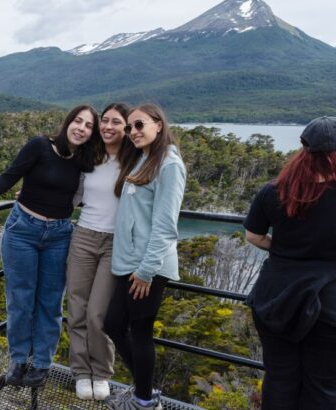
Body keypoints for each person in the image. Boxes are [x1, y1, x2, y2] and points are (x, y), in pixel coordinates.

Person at [0, 105, 103, 388]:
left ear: (92, 133)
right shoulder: (39, 146)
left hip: (59, 235)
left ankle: (42, 365)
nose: (81, 128)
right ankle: (19, 359)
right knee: (20, 300)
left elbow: (88, 194)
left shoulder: (84, 160)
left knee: (50, 303)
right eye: (78, 121)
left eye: (88, 126)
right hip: (22, 231)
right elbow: (9, 176)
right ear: (68, 122)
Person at [244, 116, 336, 410]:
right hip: (334, 304)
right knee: (327, 390)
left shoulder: (274, 190)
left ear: (304, 148)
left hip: (276, 298)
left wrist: (282, 249)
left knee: (280, 380)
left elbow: (253, 236)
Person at [104, 103, 186, 410]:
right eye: (130, 127)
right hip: (130, 263)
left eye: (139, 125)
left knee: (139, 333)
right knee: (113, 324)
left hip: (147, 267)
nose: (133, 132)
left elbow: (166, 224)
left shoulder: (169, 165)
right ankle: (145, 389)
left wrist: (147, 270)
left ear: (158, 125)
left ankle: (144, 401)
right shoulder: (144, 159)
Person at [65, 102, 131, 400]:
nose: (107, 126)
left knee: (98, 314)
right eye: (104, 121)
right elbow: (70, 192)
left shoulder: (135, 160)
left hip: (115, 242)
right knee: (76, 307)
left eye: (116, 122)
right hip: (84, 237)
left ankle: (101, 372)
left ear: (127, 127)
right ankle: (81, 371)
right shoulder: (89, 156)